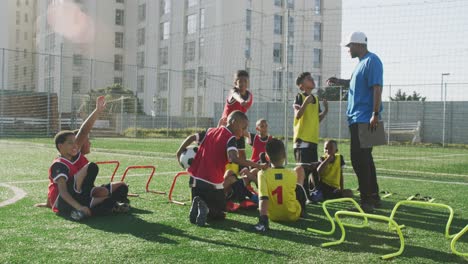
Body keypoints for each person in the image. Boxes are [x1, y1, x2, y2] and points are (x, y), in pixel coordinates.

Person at [176, 111, 267, 227]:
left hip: (194, 180)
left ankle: (199, 204)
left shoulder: (210, 131)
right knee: (219, 214)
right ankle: (207, 210)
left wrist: (178, 153)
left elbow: (192, 137)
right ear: (234, 123)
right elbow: (233, 158)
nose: (244, 132)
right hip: (212, 182)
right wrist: (258, 165)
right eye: (243, 128)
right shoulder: (230, 138)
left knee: (205, 201)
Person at [326, 31, 383, 212]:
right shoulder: (361, 64)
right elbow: (354, 83)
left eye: (349, 46)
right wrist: (339, 82)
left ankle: (367, 201)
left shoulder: (372, 61)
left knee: (359, 160)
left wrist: (375, 113)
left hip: (366, 118)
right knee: (366, 159)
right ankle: (373, 196)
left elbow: (377, 88)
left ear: (358, 45)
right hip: (359, 118)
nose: (348, 50)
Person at [47, 96, 129, 220]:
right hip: (67, 201)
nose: (75, 145)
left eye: (76, 142)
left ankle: (107, 205)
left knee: (116, 191)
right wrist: (78, 206)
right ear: (60, 146)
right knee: (91, 167)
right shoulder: (59, 164)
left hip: (80, 194)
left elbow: (84, 131)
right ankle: (85, 207)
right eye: (70, 143)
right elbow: (61, 191)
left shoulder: (74, 154)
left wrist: (97, 111)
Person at [254, 138, 308, 232]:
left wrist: (263, 219)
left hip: (273, 216)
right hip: (293, 215)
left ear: (267, 157)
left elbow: (263, 198)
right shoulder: (292, 174)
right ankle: (303, 210)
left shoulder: (262, 174)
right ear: (285, 156)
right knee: (298, 181)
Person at [293, 72, 328, 194]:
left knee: (313, 167)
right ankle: (300, 194)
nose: (312, 80)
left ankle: (311, 193)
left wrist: (326, 111)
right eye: (308, 79)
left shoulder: (316, 99)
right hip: (302, 139)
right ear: (301, 86)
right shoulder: (300, 97)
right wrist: (306, 102)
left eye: (312, 78)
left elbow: (317, 119)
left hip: (312, 139)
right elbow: (298, 115)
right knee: (303, 168)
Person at [221, 70, 253, 162]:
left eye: (245, 81)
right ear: (235, 82)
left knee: (241, 151)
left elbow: (245, 108)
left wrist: (244, 131)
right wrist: (241, 101)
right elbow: (236, 96)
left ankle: (242, 171)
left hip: (238, 128)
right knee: (225, 151)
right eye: (240, 81)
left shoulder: (249, 95)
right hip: (226, 127)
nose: (242, 83)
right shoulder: (233, 92)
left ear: (248, 83)